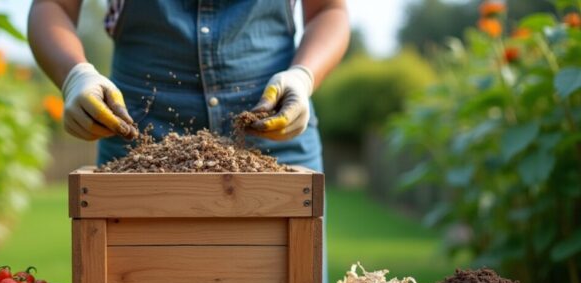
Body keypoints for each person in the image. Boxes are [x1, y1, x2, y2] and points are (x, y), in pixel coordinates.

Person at [27, 0, 349, 172]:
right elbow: (52, 5)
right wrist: (75, 75)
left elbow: (328, 10)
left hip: (275, 136)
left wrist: (303, 76)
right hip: (140, 146)